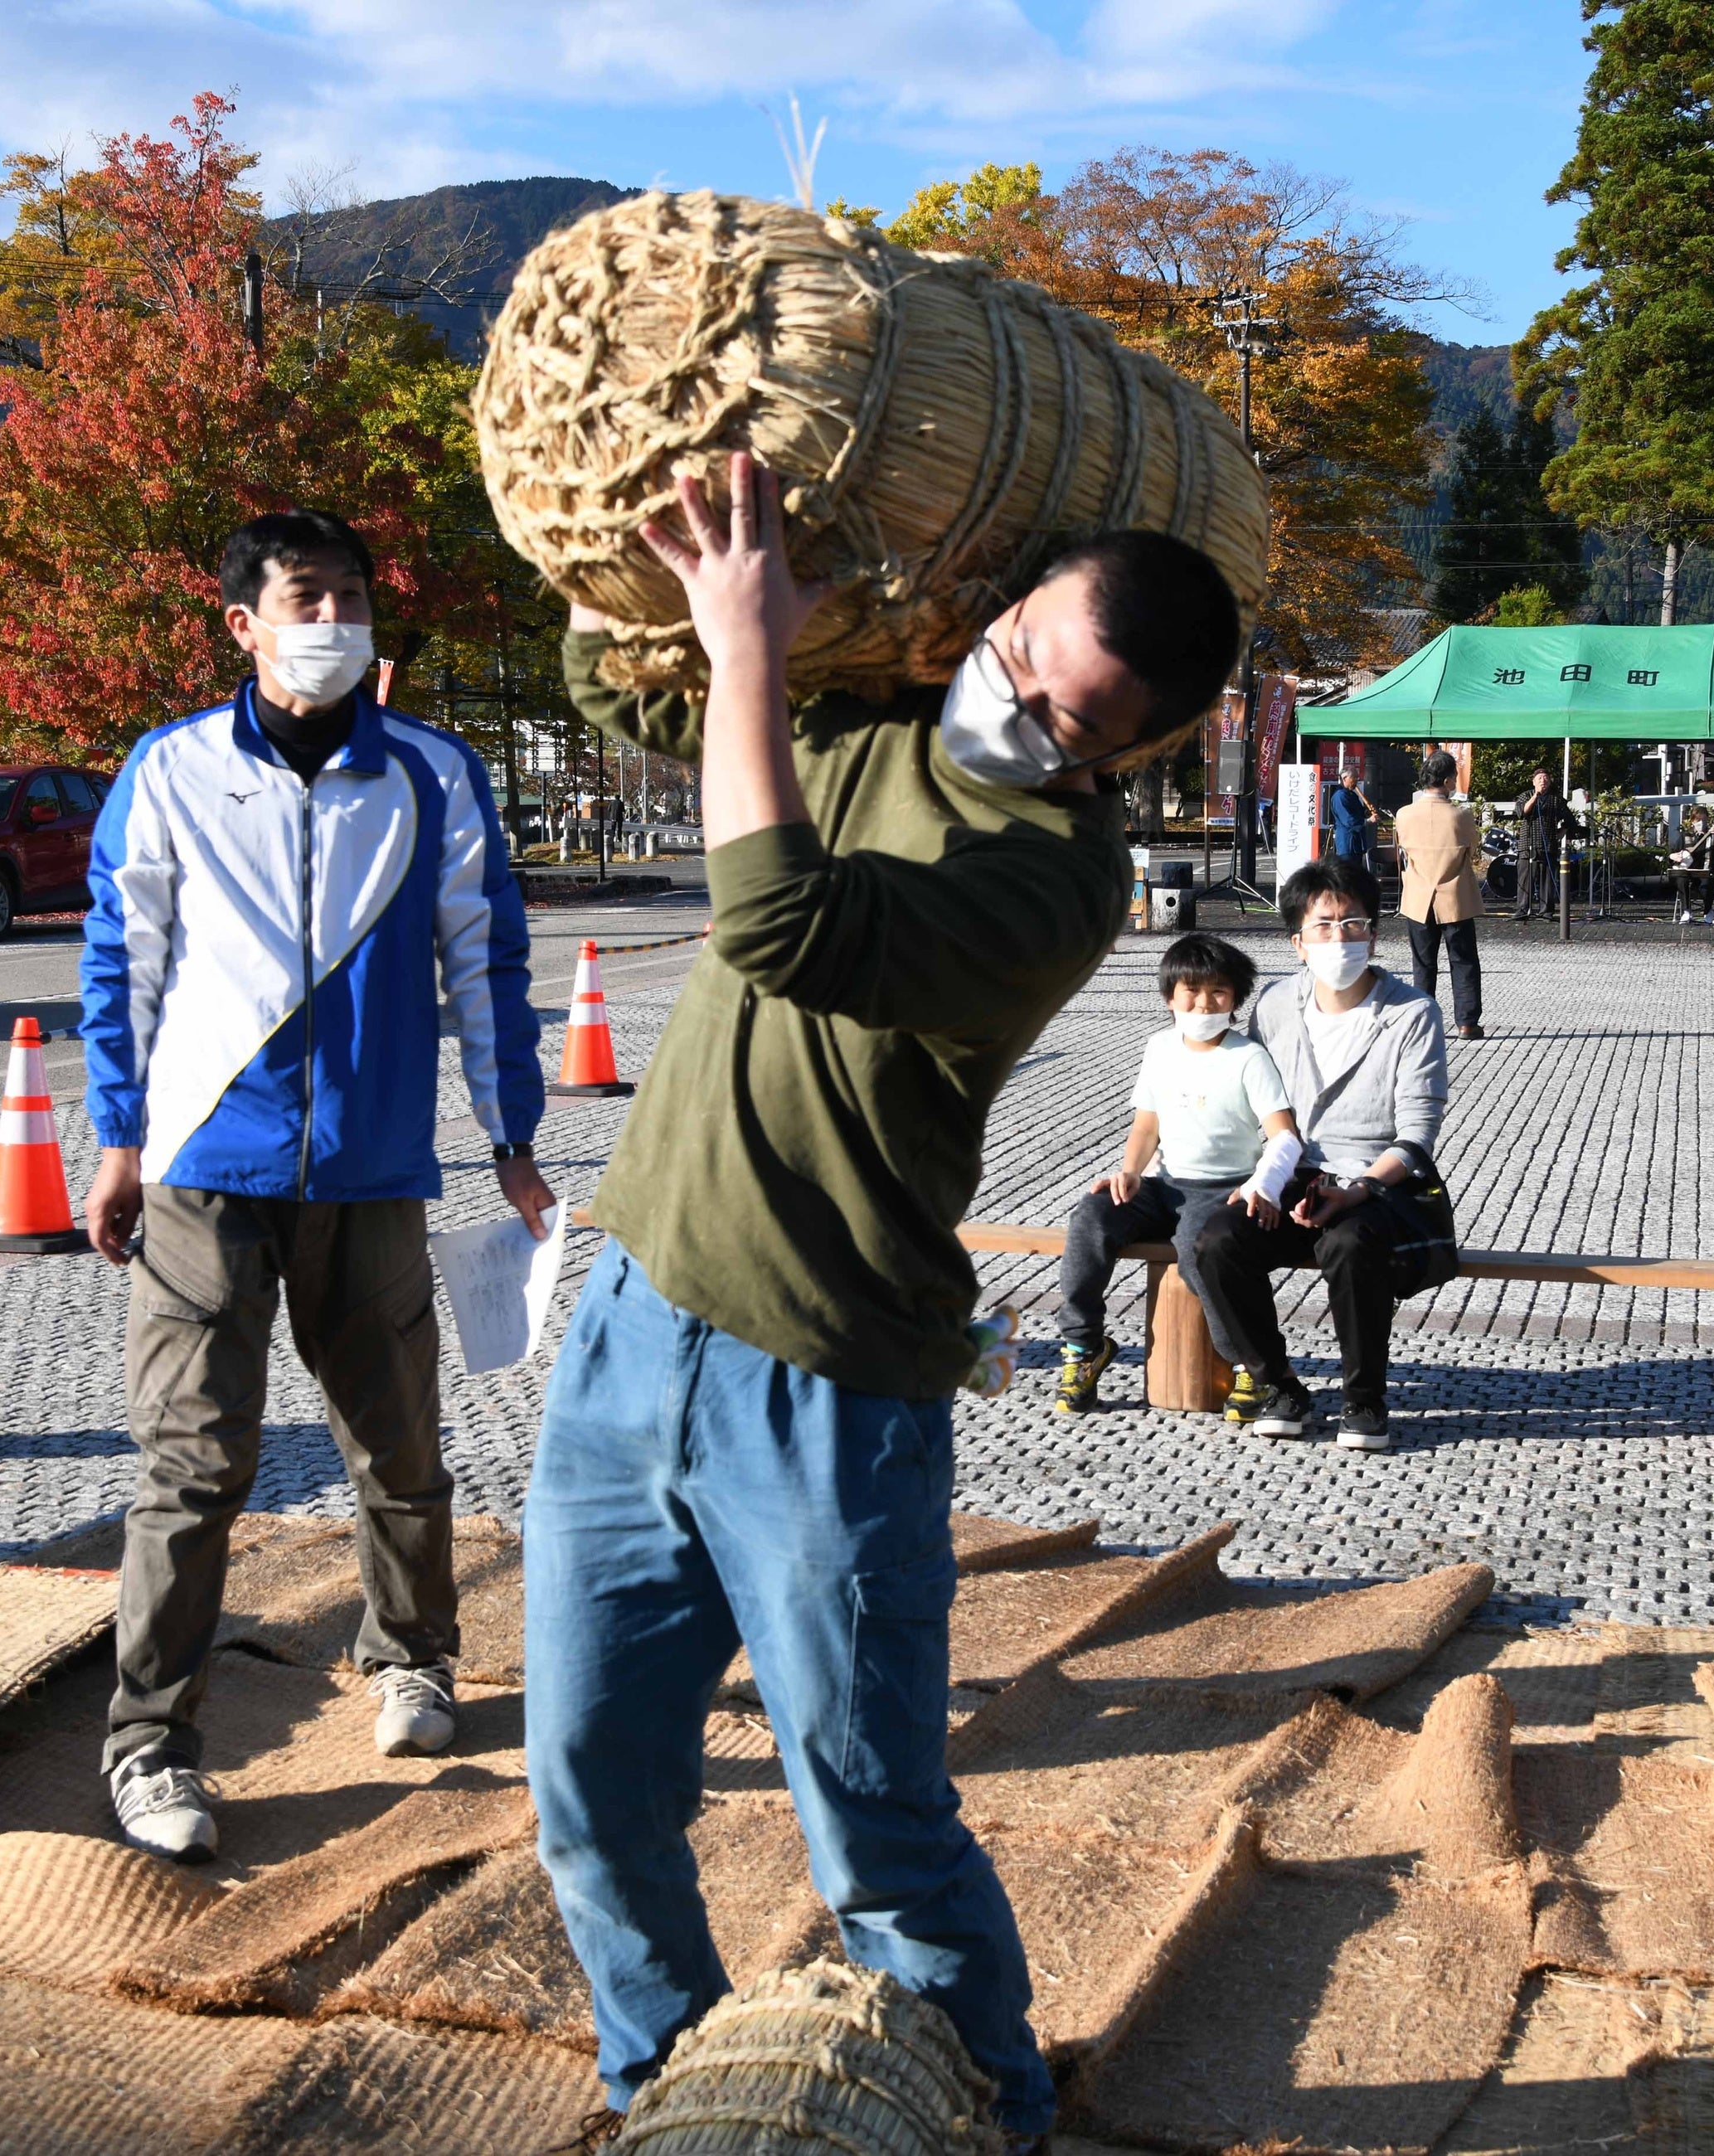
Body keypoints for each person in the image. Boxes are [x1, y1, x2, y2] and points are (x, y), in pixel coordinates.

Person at [527, 452, 1243, 2153]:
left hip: (832, 1380)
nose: (1029, 719)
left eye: (1078, 726)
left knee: (874, 1829)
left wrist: (751, 651)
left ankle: (997, 2114)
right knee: (589, 1792)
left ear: (1129, 752)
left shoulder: (1052, 878)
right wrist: (654, 560)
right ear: (1006, 605)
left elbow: (776, 921)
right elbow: (613, 689)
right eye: (1026, 664)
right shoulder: (865, 705)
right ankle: (671, 2095)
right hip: (635, 1317)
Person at [75, 508, 551, 1865]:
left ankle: (413, 1656)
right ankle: (151, 1744)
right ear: (244, 624)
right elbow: (122, 959)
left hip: (372, 1167)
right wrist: (118, 1140)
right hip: (202, 1170)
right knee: (194, 1461)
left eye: (351, 597)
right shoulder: (171, 770)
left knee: (398, 1445)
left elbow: (488, 958)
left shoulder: (433, 774)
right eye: (305, 598)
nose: (334, 621)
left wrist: (511, 1138)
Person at [1187, 854, 1451, 1454]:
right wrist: (1252, 1175)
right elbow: (1252, 1102)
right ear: (1298, 942)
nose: (1339, 938)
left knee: (1350, 1243)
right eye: (1323, 925)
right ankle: (1280, 1385)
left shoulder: (1412, 1012)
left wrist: (1357, 1191)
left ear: (1374, 935)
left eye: (1353, 923)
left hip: (1375, 1182)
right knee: (1217, 1240)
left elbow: (1417, 1134)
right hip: (1289, 1171)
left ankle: (1365, 1399)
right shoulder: (1276, 1004)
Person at [1051, 932, 1304, 1420]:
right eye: (1192, 991)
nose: (1204, 1003)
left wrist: (1262, 1184)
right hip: (1163, 1184)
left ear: (1235, 1000)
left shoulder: (1248, 1057)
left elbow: (1282, 1132)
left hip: (1223, 1190)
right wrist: (1129, 1172)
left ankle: (1248, 1365)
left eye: (1219, 992)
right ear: (1170, 997)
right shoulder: (1160, 1047)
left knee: (1197, 1251)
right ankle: (1083, 1347)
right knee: (1091, 1219)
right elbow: (1146, 1125)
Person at [1391, 750, 1484, 1040]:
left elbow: (1401, 850)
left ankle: (1423, 1022)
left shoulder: (1404, 814)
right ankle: (1467, 1023)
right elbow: (1473, 850)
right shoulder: (1461, 816)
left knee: (1423, 964)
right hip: (1455, 896)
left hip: (1418, 896)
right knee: (1463, 960)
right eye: (1454, 777)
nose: (1455, 782)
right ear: (1446, 781)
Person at [1512, 767, 1580, 918]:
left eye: (1546, 778)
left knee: (1547, 880)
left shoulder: (1556, 799)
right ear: (1534, 782)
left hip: (1548, 844)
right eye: (1540, 778)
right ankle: (1522, 910)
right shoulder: (1525, 795)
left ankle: (1547, 911)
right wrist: (1535, 796)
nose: (1543, 781)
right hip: (1528, 843)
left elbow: (1570, 819)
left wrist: (1561, 832)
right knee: (1525, 879)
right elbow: (1522, 812)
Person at [1669, 806, 1714, 925]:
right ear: (1692, 821)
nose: (1701, 823)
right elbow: (1672, 853)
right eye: (1698, 820)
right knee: (1681, 880)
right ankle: (1686, 911)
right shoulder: (1685, 835)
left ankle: (1708, 911)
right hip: (1687, 872)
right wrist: (1673, 856)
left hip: (1706, 872)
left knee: (1707, 884)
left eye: (1704, 820)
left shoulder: (1713, 836)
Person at [1325, 770, 1375, 868]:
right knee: (1347, 871)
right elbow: (1348, 820)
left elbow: (1359, 813)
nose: (1356, 781)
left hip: (1357, 842)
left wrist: (1367, 811)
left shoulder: (1352, 795)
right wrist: (1368, 821)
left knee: (1357, 870)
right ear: (1345, 779)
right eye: (1354, 778)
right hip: (1347, 842)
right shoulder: (1340, 796)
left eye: (1357, 778)